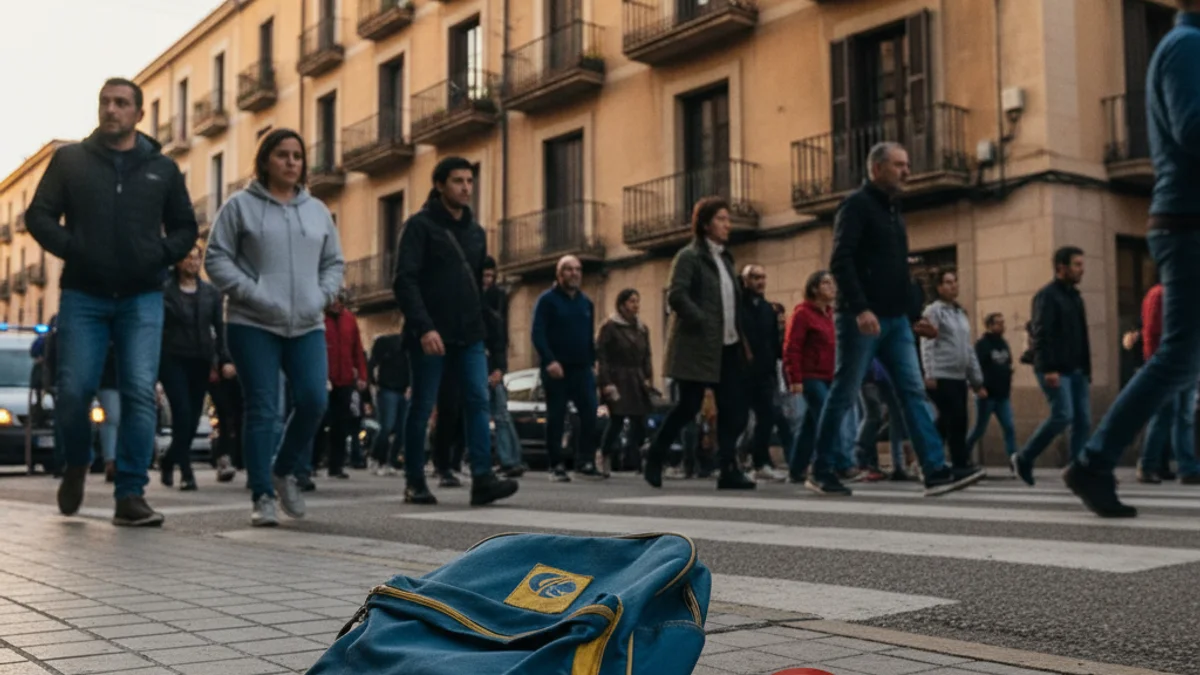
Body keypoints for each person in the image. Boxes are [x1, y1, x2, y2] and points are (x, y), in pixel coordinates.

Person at [26, 78, 198, 526]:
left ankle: (130, 494)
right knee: (74, 392)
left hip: (142, 296)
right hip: (84, 293)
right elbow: (38, 215)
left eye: (121, 103)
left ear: (139, 114)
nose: (111, 109)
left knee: (140, 392)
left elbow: (184, 228)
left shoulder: (163, 168)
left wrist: (157, 255)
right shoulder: (71, 161)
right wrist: (75, 247)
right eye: (105, 102)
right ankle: (78, 462)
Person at [1067, 1, 1200, 516]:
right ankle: (1094, 461)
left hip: (1186, 221)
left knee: (1179, 360)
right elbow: (1193, 130)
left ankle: (1094, 461)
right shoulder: (1186, 46)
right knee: (1176, 359)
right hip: (1187, 225)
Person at [808, 142, 984, 497]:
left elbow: (898, 271)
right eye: (899, 165)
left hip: (896, 322)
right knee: (843, 392)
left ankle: (934, 470)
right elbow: (841, 260)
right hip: (861, 320)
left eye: (907, 165)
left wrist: (913, 314)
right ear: (877, 169)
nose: (907, 171)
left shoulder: (893, 210)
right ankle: (822, 468)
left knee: (913, 392)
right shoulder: (855, 206)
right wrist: (860, 308)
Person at [205, 128, 343, 527]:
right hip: (252, 323)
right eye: (282, 155)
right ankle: (262, 494)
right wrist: (254, 293)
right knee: (263, 407)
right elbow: (216, 258)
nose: (291, 162)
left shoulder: (316, 211)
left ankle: (283, 469)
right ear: (265, 159)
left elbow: (334, 262)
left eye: (297, 156)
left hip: (307, 322)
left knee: (315, 400)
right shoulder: (240, 207)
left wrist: (322, 296)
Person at [392, 156, 519, 506]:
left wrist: (492, 344)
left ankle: (482, 479)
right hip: (430, 334)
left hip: (469, 334)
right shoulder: (419, 227)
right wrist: (423, 327)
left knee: (478, 401)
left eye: (469, 181)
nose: (465, 187)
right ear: (439, 185)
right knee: (422, 406)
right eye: (457, 181)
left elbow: (477, 291)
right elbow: (405, 281)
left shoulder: (477, 234)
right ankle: (415, 481)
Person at [643, 197, 756, 491]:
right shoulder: (689, 257)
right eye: (721, 219)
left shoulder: (726, 259)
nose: (727, 224)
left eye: (728, 219)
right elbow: (677, 296)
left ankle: (728, 467)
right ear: (706, 224)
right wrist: (703, 320)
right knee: (687, 407)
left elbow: (732, 304)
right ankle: (655, 455)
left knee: (735, 410)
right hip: (696, 346)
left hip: (727, 346)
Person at [1011, 247, 1091, 487]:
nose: (1081, 269)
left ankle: (1078, 472)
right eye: (1077, 264)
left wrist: (1087, 370)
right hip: (1054, 368)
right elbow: (1041, 334)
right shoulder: (1046, 296)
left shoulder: (1076, 297)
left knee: (1083, 421)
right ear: (1061, 268)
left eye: (1081, 264)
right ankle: (1024, 457)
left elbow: (1082, 337)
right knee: (1063, 415)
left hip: (1077, 369)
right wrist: (1048, 369)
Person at [159, 244, 230, 491]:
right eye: (187, 257)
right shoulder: (165, 292)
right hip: (172, 360)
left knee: (191, 419)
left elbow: (219, 329)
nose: (192, 261)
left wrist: (224, 358)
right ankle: (186, 473)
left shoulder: (211, 293)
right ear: (178, 262)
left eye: (196, 257)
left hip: (200, 360)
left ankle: (168, 460)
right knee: (182, 414)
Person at [532, 255, 601, 481]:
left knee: (590, 412)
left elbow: (589, 336)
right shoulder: (547, 301)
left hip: (582, 368)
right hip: (556, 368)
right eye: (569, 270)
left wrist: (593, 363)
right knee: (556, 416)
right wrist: (550, 360)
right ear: (559, 274)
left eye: (578, 270)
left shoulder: (586, 303)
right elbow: (538, 334)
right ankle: (556, 464)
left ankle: (585, 460)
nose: (575, 274)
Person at [920, 268, 986, 472]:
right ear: (938, 287)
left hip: (959, 375)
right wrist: (929, 373)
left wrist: (976, 379)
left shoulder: (960, 313)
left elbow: (967, 347)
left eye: (955, 281)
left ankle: (928, 457)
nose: (953, 286)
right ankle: (959, 463)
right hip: (941, 374)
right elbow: (927, 343)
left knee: (952, 420)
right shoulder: (933, 311)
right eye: (948, 282)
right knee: (954, 419)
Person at [1136, 283, 1200, 484]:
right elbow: (1151, 334)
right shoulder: (1159, 294)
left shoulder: (1186, 293)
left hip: (1188, 362)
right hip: (1169, 364)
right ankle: (1148, 464)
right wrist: (1155, 364)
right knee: (1165, 415)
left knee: (1184, 416)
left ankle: (1187, 467)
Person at [783, 270, 837, 482]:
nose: (831, 287)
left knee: (810, 425)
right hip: (810, 375)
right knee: (826, 417)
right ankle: (829, 464)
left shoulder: (831, 315)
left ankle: (796, 468)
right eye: (825, 283)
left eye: (832, 283)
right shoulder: (802, 314)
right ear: (814, 288)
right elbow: (792, 347)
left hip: (829, 375)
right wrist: (794, 378)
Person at [596, 289, 654, 476]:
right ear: (621, 305)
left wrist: (648, 377)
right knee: (617, 420)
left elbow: (647, 355)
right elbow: (602, 357)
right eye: (631, 301)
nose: (635, 305)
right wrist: (605, 382)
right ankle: (604, 455)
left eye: (637, 301)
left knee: (640, 421)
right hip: (617, 377)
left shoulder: (642, 328)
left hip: (636, 378)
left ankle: (640, 460)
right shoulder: (610, 327)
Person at [739, 265, 787, 482]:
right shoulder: (737, 307)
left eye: (762, 277)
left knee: (767, 415)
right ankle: (733, 460)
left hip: (765, 372)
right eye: (754, 277)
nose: (760, 281)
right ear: (745, 280)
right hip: (741, 372)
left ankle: (760, 462)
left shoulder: (768, 309)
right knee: (738, 419)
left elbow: (773, 341)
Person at [316, 292, 367, 480]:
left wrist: (361, 375)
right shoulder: (319, 318)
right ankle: (313, 461)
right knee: (318, 421)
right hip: (324, 378)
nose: (336, 304)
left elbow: (357, 349)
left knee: (341, 424)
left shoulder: (349, 319)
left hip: (344, 379)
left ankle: (336, 465)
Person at [482, 257, 524, 477]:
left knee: (500, 413)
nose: (487, 280)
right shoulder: (472, 296)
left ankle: (510, 460)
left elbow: (501, 335)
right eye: (484, 275)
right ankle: (508, 459)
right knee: (496, 413)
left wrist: (500, 367)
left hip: (491, 364)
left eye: (491, 275)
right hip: (478, 361)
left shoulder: (497, 298)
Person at [966, 312, 1016, 468]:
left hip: (1002, 395)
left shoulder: (1003, 343)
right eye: (998, 323)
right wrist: (977, 387)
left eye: (1003, 323)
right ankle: (962, 454)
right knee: (979, 429)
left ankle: (1014, 461)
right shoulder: (982, 345)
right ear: (989, 325)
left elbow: (1008, 362)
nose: (1002, 326)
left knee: (1009, 427)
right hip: (986, 395)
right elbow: (973, 367)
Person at [368, 327, 410, 477]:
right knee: (386, 426)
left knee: (401, 429)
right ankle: (377, 458)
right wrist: (373, 382)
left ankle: (389, 461)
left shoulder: (413, 348)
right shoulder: (387, 342)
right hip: (388, 389)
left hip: (403, 389)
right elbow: (372, 363)